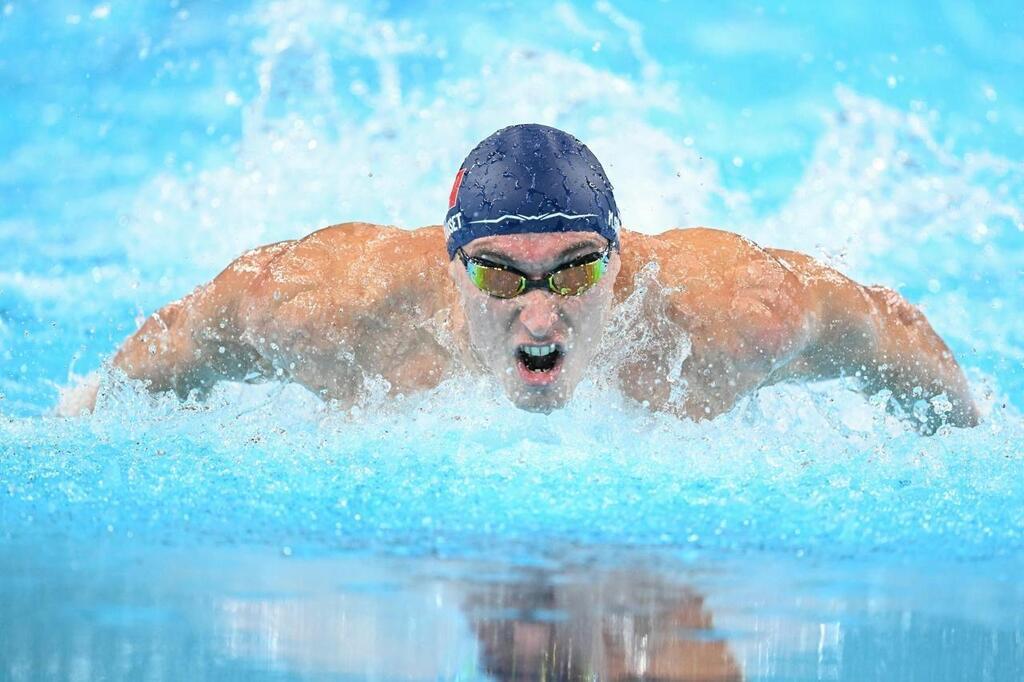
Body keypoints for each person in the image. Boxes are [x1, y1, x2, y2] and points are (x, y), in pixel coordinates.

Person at [64, 124, 978, 433]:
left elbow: (890, 332)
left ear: (620, 264)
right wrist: (75, 421)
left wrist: (967, 439)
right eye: (502, 279)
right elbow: (188, 334)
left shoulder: (732, 315)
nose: (540, 312)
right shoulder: (332, 308)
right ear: (452, 268)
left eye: (576, 271)